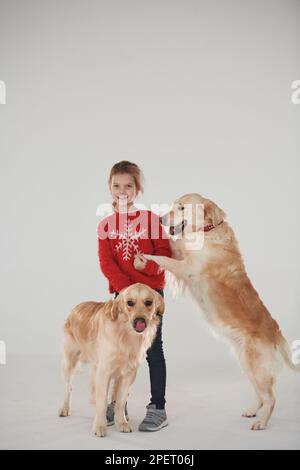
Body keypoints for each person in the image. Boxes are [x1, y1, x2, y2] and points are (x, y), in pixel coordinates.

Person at [97, 160, 171, 431]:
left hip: (151, 297)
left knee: (152, 350)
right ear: (110, 188)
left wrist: (147, 266)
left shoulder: (151, 221)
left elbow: (165, 255)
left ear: (138, 189)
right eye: (117, 185)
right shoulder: (105, 225)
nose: (122, 190)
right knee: (118, 349)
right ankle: (119, 404)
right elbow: (106, 263)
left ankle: (158, 407)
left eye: (128, 185)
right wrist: (126, 291)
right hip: (122, 299)